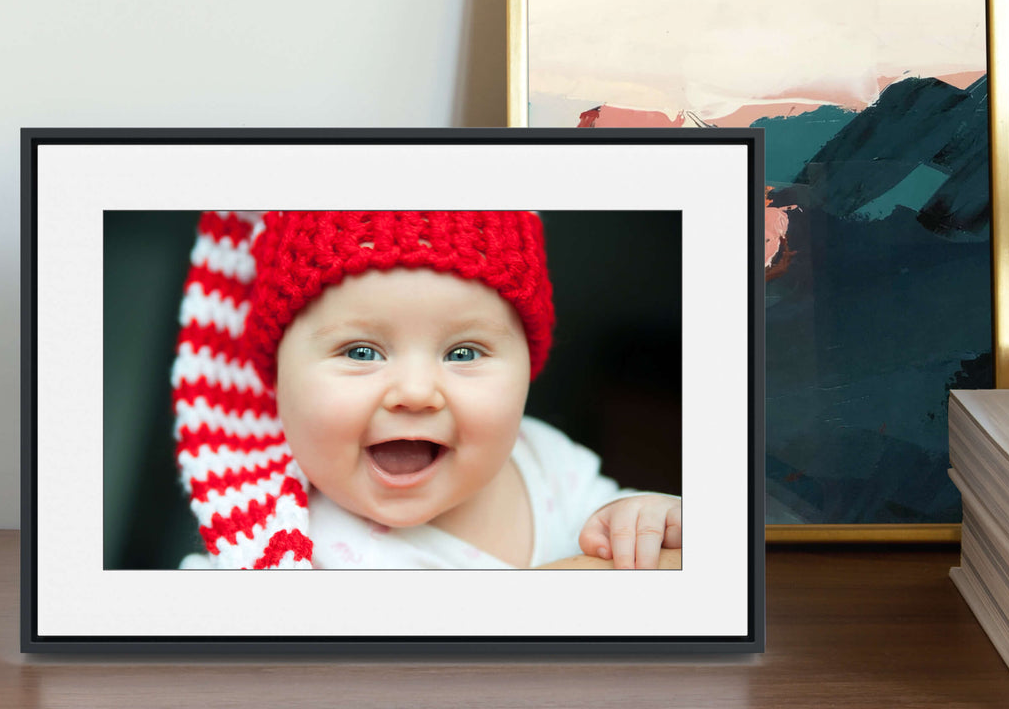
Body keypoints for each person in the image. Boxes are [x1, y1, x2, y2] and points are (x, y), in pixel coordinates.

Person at [172, 210, 682, 569]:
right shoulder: (278, 549)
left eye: (463, 353)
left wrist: (644, 520)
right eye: (361, 352)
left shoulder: (545, 463)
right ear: (277, 380)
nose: (415, 393)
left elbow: (629, 529)